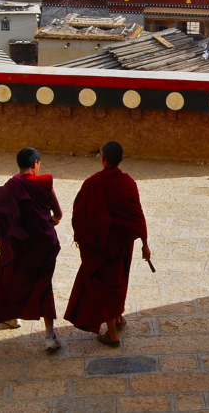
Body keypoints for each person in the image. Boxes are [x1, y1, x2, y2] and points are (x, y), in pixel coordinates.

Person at [64, 140, 151, 347]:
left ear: (103, 158)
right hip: (121, 244)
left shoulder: (93, 183)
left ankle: (111, 334)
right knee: (118, 281)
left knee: (106, 286)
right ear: (120, 160)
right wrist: (145, 244)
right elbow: (137, 214)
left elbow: (80, 214)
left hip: (102, 246)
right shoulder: (128, 182)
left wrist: (87, 239)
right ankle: (118, 317)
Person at [0, 147, 63, 352]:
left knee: (6, 279)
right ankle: (50, 336)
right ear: (35, 164)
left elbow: (1, 220)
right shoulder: (44, 183)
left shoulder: (9, 187)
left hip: (19, 246)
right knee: (44, 286)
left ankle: (11, 317)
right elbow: (58, 215)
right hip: (44, 245)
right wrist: (47, 223)